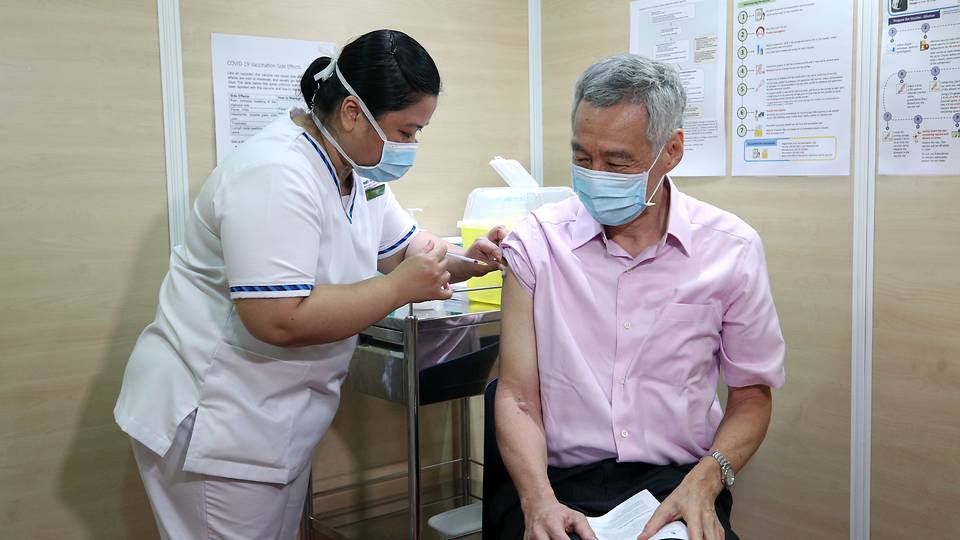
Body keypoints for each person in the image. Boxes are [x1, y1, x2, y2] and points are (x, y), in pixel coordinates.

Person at [114, 29, 504, 539]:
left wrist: (466, 262)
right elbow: (277, 317)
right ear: (351, 112)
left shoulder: (355, 171)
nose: (411, 146)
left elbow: (404, 250)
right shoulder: (276, 172)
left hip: (267, 423)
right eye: (406, 131)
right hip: (216, 420)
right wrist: (401, 289)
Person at [492, 54, 785, 540]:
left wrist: (707, 481)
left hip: (677, 480)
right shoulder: (535, 245)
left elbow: (752, 395)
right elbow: (518, 397)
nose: (595, 174)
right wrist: (538, 501)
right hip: (557, 481)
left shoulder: (731, 250)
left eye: (617, 162)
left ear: (671, 151)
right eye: (582, 158)